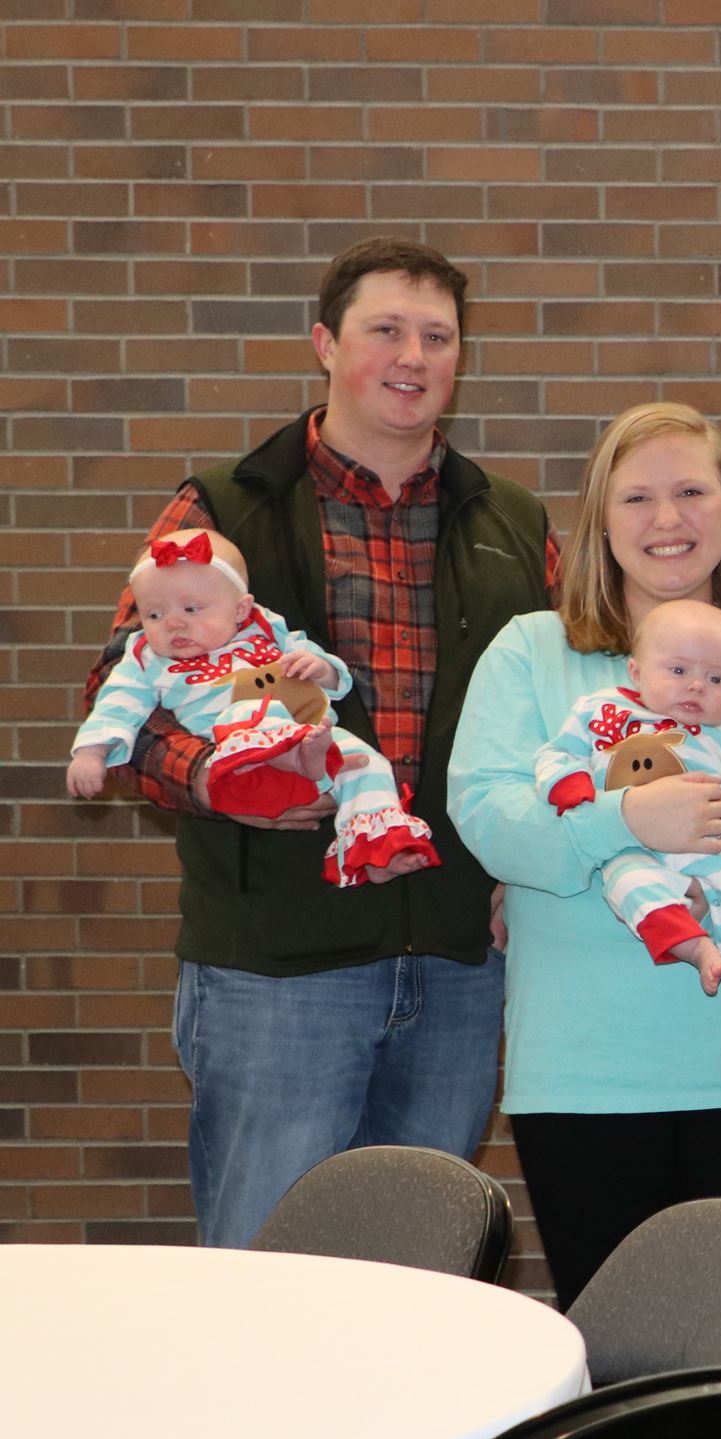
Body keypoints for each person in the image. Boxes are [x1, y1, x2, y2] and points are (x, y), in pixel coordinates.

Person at [78, 238, 554, 1248]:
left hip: (459, 962)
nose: (411, 356)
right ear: (325, 344)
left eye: (437, 336)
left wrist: (534, 857)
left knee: (418, 1281)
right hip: (277, 970)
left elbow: (561, 715)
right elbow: (120, 682)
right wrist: (219, 778)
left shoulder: (512, 523)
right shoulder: (219, 511)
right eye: (384, 329)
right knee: (267, 1278)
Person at [449, 401, 721, 1304]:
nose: (668, 520)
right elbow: (488, 815)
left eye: (692, 491)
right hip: (585, 1075)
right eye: (637, 496)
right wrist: (629, 825)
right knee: (621, 1359)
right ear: (600, 521)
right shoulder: (532, 654)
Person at [70, 529, 442, 886]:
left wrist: (322, 669)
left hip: (308, 734)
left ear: (240, 608)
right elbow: (114, 705)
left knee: (365, 761)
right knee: (245, 710)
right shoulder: (145, 658)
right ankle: (293, 758)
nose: (173, 623)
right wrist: (91, 753)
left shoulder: (265, 627)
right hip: (239, 756)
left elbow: (313, 657)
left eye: (191, 608)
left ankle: (376, 852)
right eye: (154, 615)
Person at [531, 597, 721, 1023]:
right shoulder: (600, 709)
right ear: (636, 672)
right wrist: (574, 788)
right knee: (627, 883)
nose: (696, 686)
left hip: (717, 842)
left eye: (717, 678)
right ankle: (694, 947)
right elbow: (557, 755)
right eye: (678, 671)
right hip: (633, 844)